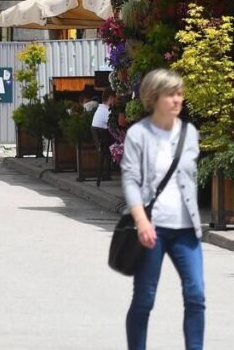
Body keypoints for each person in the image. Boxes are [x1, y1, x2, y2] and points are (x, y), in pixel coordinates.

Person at [122, 69, 203, 350]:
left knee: (196, 295)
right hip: (151, 229)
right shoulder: (138, 134)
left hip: (186, 230)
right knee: (144, 299)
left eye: (180, 93)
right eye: (171, 94)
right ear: (154, 97)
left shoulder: (190, 134)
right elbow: (130, 181)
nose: (177, 99)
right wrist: (141, 221)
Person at [91, 90, 116, 185]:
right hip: (106, 143)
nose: (115, 101)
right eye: (114, 99)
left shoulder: (100, 109)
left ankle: (107, 172)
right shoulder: (107, 111)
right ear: (110, 98)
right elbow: (114, 125)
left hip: (101, 142)